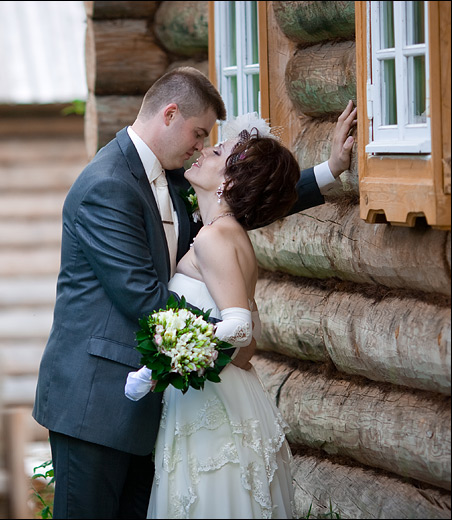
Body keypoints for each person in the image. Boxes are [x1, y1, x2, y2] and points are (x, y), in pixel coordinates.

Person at [32, 66, 356, 519]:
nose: (202, 147)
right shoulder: (106, 185)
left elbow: (236, 203)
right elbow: (143, 298)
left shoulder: (177, 177)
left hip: (156, 406)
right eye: (199, 132)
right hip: (97, 403)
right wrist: (230, 339)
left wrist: (328, 171)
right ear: (169, 114)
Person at [125, 115, 302, 518]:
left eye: (217, 151)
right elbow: (247, 339)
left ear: (231, 182)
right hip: (224, 396)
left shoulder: (215, 238)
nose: (204, 150)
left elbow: (239, 327)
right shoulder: (228, 234)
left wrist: (165, 363)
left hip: (212, 410)